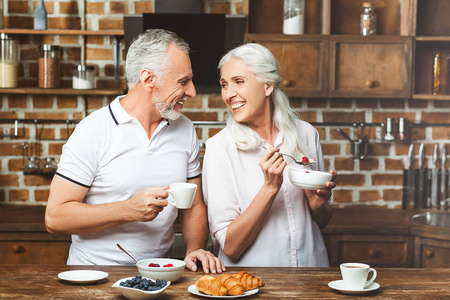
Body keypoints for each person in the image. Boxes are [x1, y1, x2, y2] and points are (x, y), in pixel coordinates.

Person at [45, 29, 225, 274]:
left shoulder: (185, 129)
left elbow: (193, 205)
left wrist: (194, 247)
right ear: (148, 79)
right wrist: (128, 209)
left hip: (158, 275)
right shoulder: (94, 130)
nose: (192, 91)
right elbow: (55, 217)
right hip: (94, 276)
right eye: (183, 81)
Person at [202, 43, 337, 267]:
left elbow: (322, 222)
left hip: (310, 275)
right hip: (252, 283)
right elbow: (231, 247)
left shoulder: (306, 134)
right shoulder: (220, 148)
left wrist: (318, 205)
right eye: (224, 85)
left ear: (267, 86)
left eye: (239, 81)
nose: (228, 94)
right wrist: (269, 188)